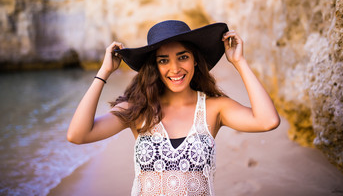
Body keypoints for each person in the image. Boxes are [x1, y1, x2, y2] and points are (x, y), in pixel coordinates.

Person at [67, 20, 280, 196]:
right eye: (163, 60)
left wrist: (239, 61)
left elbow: (267, 121)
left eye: (183, 57)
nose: (175, 68)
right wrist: (104, 72)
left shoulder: (214, 108)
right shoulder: (139, 110)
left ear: (195, 60)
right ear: (154, 67)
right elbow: (78, 135)